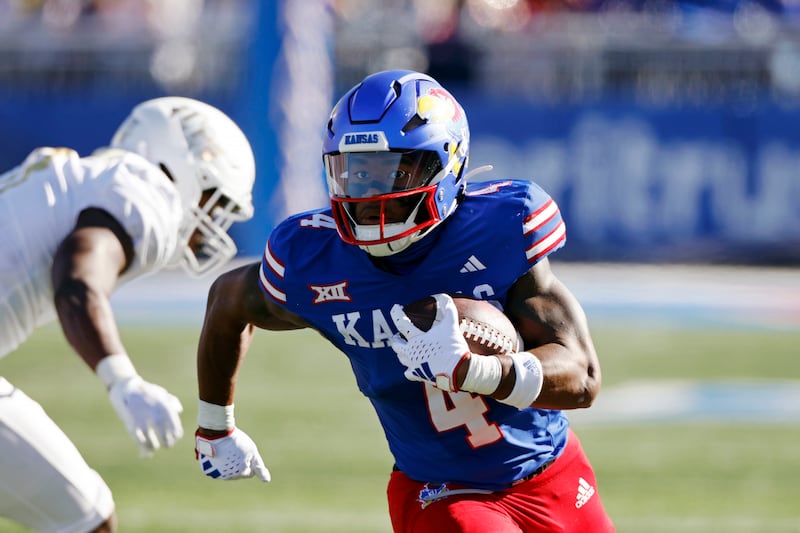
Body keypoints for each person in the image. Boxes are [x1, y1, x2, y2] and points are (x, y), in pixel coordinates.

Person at [193, 70, 615, 532]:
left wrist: (477, 372)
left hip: (552, 470)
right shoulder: (314, 258)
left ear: (446, 164)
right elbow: (227, 301)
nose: (369, 195)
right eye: (355, 172)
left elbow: (583, 377)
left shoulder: (501, 228)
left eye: (393, 170)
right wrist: (215, 424)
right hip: (441, 490)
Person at [0, 96, 256, 533]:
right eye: (212, 202)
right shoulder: (147, 193)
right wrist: (123, 382)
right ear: (177, 168)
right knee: (86, 517)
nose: (207, 228)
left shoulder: (80, 179)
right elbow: (77, 278)